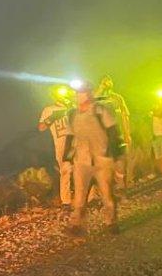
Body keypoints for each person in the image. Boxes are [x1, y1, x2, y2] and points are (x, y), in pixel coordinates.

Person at [65, 81, 122, 236]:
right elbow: (69, 136)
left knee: (107, 193)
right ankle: (76, 225)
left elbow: (112, 131)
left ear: (89, 94)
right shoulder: (73, 114)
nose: (79, 95)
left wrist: (113, 154)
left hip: (102, 159)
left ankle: (111, 223)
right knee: (79, 196)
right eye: (77, 92)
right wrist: (67, 158)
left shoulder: (100, 110)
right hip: (81, 160)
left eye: (82, 92)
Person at [37, 86, 74, 212]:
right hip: (62, 145)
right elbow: (41, 127)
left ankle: (91, 198)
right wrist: (52, 118)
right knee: (66, 171)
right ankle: (66, 201)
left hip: (77, 142)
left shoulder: (73, 107)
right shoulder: (49, 110)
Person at [95, 76, 133, 190]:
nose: (107, 83)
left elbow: (125, 116)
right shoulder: (96, 98)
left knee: (120, 160)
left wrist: (127, 133)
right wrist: (100, 89)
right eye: (104, 81)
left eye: (109, 80)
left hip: (117, 134)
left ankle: (121, 186)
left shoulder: (117, 98)